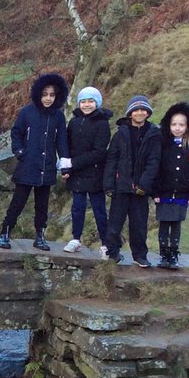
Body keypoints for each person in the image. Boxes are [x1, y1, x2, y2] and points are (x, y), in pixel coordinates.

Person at [0, 73, 70, 251]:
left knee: (42, 205)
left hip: (47, 166)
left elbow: (61, 140)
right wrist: (20, 151)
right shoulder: (27, 112)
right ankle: (5, 232)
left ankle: (40, 236)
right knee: (18, 201)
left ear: (57, 96)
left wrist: (65, 164)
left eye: (52, 95)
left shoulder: (58, 117)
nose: (48, 98)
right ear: (38, 93)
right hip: (28, 164)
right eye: (45, 94)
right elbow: (16, 133)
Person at [103, 94, 162, 268]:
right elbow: (112, 160)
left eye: (143, 109)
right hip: (121, 187)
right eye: (135, 110)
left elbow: (154, 161)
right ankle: (112, 252)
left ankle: (140, 255)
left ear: (148, 113)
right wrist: (108, 184)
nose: (139, 113)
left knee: (139, 224)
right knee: (115, 222)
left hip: (141, 189)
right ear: (130, 113)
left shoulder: (154, 134)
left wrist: (144, 184)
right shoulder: (120, 134)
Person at [154, 101, 189, 270]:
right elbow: (156, 169)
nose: (177, 128)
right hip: (164, 192)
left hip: (182, 194)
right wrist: (155, 191)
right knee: (163, 223)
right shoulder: (162, 145)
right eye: (174, 124)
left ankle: (174, 254)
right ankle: (163, 255)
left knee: (176, 224)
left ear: (188, 126)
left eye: (181, 124)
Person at [62, 85, 112, 254]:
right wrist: (65, 169)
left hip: (95, 173)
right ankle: (76, 239)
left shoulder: (102, 123)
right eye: (83, 101)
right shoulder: (74, 121)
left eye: (91, 101)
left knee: (99, 209)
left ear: (97, 103)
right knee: (77, 207)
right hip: (76, 173)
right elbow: (67, 146)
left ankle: (106, 244)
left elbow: (99, 152)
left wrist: (73, 163)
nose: (87, 105)